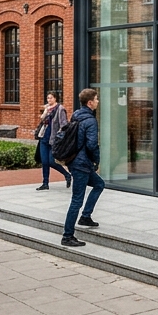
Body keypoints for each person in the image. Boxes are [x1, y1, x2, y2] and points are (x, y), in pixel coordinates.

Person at [61, 88, 105, 248]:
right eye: (96, 99)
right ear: (90, 102)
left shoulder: (76, 116)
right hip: (82, 164)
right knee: (76, 200)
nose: (98, 101)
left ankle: (85, 216)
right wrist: (96, 161)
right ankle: (67, 236)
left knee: (99, 184)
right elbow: (92, 144)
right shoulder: (90, 120)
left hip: (75, 161)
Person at [34, 92, 71, 190]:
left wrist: (59, 135)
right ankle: (45, 183)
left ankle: (67, 175)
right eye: (47, 98)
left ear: (55, 98)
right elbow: (42, 122)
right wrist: (45, 113)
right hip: (43, 138)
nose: (48, 100)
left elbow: (64, 125)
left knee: (51, 161)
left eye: (50, 98)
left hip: (53, 139)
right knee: (44, 162)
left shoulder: (60, 109)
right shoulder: (47, 109)